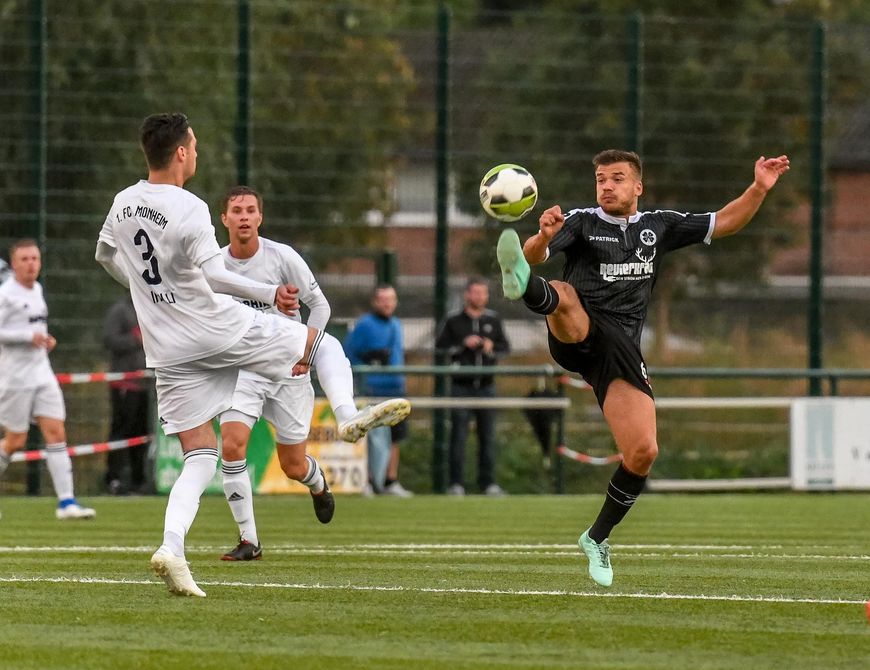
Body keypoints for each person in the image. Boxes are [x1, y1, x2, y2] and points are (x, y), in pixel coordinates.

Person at [95, 112, 410, 596]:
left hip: (167, 350)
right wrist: (267, 294)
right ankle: (347, 418)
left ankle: (172, 547)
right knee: (323, 343)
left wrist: (147, 294)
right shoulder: (190, 207)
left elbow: (105, 255)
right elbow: (215, 277)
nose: (196, 153)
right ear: (181, 152)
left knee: (200, 457)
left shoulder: (122, 202)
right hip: (215, 330)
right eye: (194, 146)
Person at [496, 149, 790, 587]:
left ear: (638, 186)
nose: (607, 186)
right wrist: (541, 236)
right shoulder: (580, 221)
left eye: (617, 178)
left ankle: (596, 537)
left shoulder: (660, 225)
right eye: (601, 179)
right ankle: (523, 288)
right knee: (564, 294)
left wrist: (759, 188)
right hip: (577, 334)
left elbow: (725, 221)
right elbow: (535, 254)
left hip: (619, 354)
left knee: (643, 452)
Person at [218, 185, 341, 561]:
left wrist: (307, 353)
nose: (243, 216)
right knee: (232, 445)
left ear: (260, 217)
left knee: (292, 465)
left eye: (249, 210)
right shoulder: (215, 264)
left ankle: (317, 482)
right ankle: (249, 541)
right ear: (224, 219)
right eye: (236, 210)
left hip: (288, 372)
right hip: (244, 371)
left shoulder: (282, 256)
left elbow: (319, 305)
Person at [0, 239, 96, 519]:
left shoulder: (38, 290)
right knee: (15, 441)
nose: (31, 264)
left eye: (35, 258)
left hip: (42, 372)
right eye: (25, 259)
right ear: (14, 263)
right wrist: (27, 337)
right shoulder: (6, 294)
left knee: (56, 432)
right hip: (15, 377)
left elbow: (35, 328)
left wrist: (45, 340)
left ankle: (67, 503)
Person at [434, 277, 510, 497]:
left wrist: (491, 347)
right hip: (461, 387)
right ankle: (456, 483)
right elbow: (440, 347)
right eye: (475, 292)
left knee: (487, 437)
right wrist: (462, 345)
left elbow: (505, 348)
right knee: (458, 436)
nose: (479, 297)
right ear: (467, 295)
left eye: (483, 293)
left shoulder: (493, 320)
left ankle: (488, 483)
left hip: (486, 387)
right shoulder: (453, 321)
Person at [344, 285, 412, 497]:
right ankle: (368, 481)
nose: (387, 303)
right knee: (370, 437)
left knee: (395, 437)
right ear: (375, 302)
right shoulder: (364, 324)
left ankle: (390, 480)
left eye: (391, 299)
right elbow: (348, 354)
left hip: (395, 388)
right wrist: (369, 357)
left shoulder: (396, 323)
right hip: (372, 388)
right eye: (383, 299)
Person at [103, 294, 151, 494]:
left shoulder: (150, 306)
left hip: (144, 384)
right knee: (121, 430)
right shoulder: (120, 310)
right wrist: (135, 339)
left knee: (141, 433)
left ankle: (138, 481)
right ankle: (113, 479)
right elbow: (109, 340)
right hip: (124, 383)